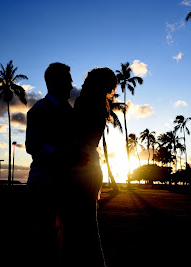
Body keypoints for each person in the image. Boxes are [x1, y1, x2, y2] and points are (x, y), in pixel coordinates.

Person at [60, 68, 118, 267]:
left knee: (77, 224)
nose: (82, 84)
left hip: (82, 164)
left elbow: (73, 134)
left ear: (95, 83)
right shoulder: (101, 105)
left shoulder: (84, 102)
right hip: (91, 164)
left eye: (87, 81)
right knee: (86, 224)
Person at [26, 62, 77, 266]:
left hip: (65, 183)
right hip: (44, 183)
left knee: (63, 234)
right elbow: (33, 146)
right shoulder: (39, 109)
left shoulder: (69, 110)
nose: (72, 85)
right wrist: (63, 153)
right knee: (43, 234)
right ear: (55, 82)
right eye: (68, 80)